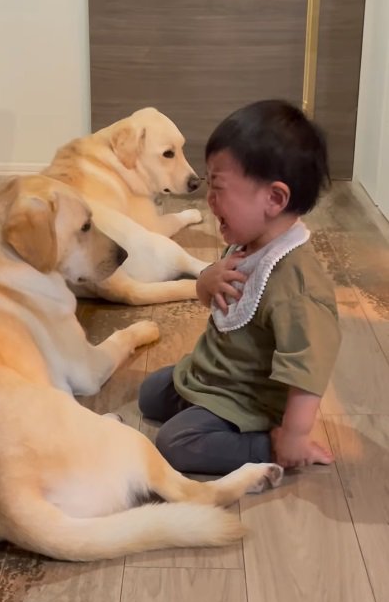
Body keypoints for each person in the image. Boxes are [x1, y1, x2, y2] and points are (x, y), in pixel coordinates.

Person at [138, 100, 341, 473]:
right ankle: (202, 406)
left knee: (176, 444)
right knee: (150, 393)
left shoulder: (296, 283)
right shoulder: (249, 241)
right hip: (213, 375)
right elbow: (210, 297)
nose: (209, 199)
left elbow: (308, 367)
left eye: (218, 187)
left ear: (274, 199)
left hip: (251, 401)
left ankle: (266, 444)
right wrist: (207, 279)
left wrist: (294, 437)